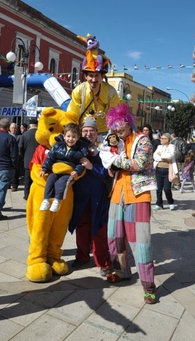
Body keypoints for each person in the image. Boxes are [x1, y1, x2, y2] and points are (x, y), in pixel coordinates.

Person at [102, 103, 157, 305]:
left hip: (138, 196)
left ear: (129, 122)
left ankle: (149, 287)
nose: (117, 128)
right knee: (115, 238)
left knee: (140, 243)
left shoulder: (143, 140)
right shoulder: (116, 140)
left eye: (119, 124)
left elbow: (139, 164)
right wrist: (110, 163)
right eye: (113, 125)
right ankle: (122, 271)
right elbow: (107, 159)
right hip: (117, 195)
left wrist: (114, 162)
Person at [68, 116, 112, 276]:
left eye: (91, 131)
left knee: (100, 229)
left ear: (96, 133)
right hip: (81, 197)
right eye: (85, 130)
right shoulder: (74, 149)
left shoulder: (104, 150)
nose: (88, 133)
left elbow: (109, 173)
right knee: (81, 227)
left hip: (98, 197)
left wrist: (92, 166)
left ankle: (103, 262)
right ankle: (82, 257)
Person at [39, 123, 89, 212]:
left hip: (68, 171)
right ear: (64, 136)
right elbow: (50, 158)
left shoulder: (79, 150)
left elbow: (80, 164)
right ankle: (46, 200)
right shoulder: (58, 146)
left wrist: (76, 171)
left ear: (78, 138)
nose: (70, 139)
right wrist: (44, 169)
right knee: (50, 180)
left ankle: (57, 201)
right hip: (57, 170)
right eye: (68, 136)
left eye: (73, 137)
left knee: (61, 183)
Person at [153, 133, 177, 210]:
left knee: (167, 188)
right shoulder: (159, 147)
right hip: (159, 169)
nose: (161, 140)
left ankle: (171, 202)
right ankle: (159, 204)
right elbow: (155, 156)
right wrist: (163, 156)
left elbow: (171, 156)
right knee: (159, 188)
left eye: (163, 138)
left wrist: (161, 155)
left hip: (167, 170)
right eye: (161, 138)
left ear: (168, 140)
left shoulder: (172, 147)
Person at [19, 118, 39, 200]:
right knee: (36, 179)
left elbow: (20, 147)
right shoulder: (39, 134)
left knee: (27, 179)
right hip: (38, 160)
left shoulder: (25, 134)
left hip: (27, 160)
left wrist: (23, 157)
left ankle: (26, 195)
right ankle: (35, 194)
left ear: (30, 125)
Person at [9, 123, 20, 191]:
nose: (13, 129)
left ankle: (14, 185)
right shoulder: (7, 136)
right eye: (12, 128)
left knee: (15, 171)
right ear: (10, 128)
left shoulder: (19, 136)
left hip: (16, 156)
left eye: (15, 128)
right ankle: (8, 183)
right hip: (8, 156)